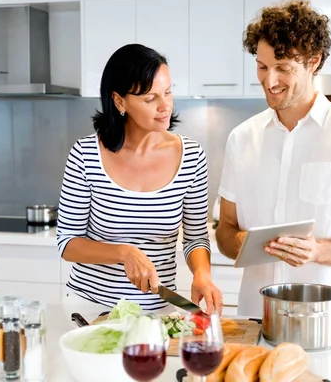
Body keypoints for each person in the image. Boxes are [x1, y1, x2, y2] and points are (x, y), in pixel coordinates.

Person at [215, 0, 331, 322]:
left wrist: (317, 250)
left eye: (283, 67)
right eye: (262, 66)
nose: (270, 81)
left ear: (313, 62)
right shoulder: (241, 139)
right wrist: (249, 242)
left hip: (328, 321)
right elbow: (225, 231)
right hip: (257, 318)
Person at [57, 43, 223, 315]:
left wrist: (202, 274)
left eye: (168, 92)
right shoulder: (85, 155)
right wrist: (124, 253)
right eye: (150, 99)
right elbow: (67, 242)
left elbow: (195, 238)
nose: (164, 106)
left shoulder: (190, 156)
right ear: (119, 101)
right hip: (91, 308)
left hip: (158, 311)